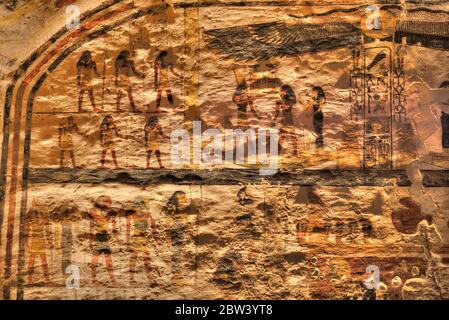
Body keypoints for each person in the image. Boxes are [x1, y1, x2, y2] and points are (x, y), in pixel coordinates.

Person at [126, 198, 160, 284]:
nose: (140, 208)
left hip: (144, 239)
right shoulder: (132, 216)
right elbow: (128, 230)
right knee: (134, 258)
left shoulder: (147, 216)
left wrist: (157, 239)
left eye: (141, 206)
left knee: (146, 259)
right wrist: (127, 242)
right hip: (136, 239)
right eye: (138, 207)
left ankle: (150, 278)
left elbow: (154, 228)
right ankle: (131, 278)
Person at [89, 196, 117, 285]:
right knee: (96, 259)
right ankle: (94, 279)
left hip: (104, 237)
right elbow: (93, 213)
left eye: (109, 203)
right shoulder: (97, 213)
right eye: (106, 203)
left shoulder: (108, 214)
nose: (108, 205)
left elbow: (113, 225)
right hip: (99, 237)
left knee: (108, 260)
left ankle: (112, 280)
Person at [25, 204, 52, 284]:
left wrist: (49, 242)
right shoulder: (31, 222)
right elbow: (26, 231)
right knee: (32, 261)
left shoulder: (42, 221)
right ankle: (30, 280)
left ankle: (47, 279)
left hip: (40, 242)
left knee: (43, 261)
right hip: (34, 242)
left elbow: (47, 229)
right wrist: (26, 243)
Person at [274, 84, 298, 156]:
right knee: (284, 136)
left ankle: (295, 152)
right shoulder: (282, 99)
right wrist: (274, 119)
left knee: (289, 135)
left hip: (288, 119)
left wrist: (281, 104)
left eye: (282, 91)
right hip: (285, 119)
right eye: (281, 91)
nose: (281, 92)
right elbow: (277, 111)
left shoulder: (289, 99)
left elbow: (288, 106)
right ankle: (294, 152)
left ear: (286, 91)